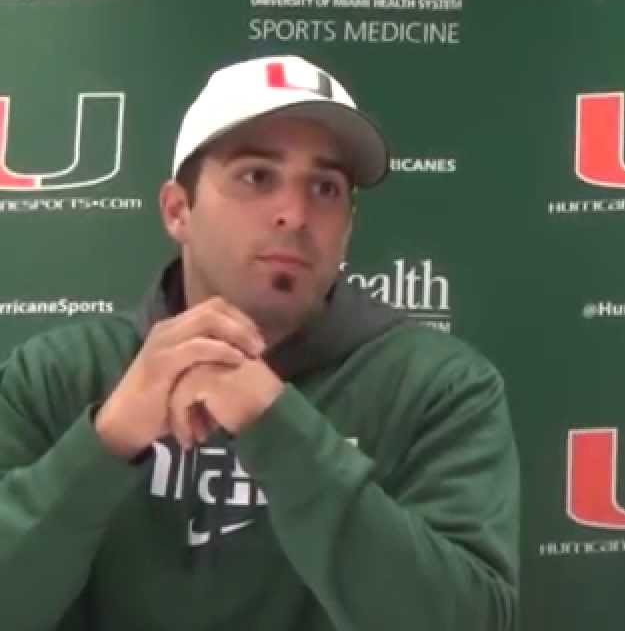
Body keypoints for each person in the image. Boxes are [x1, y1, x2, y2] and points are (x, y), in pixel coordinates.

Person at [0, 55, 519, 631]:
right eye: (256, 177)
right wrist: (105, 443)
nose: (294, 215)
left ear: (347, 223)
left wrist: (279, 426)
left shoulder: (437, 386)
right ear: (178, 211)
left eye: (325, 188)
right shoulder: (56, 375)